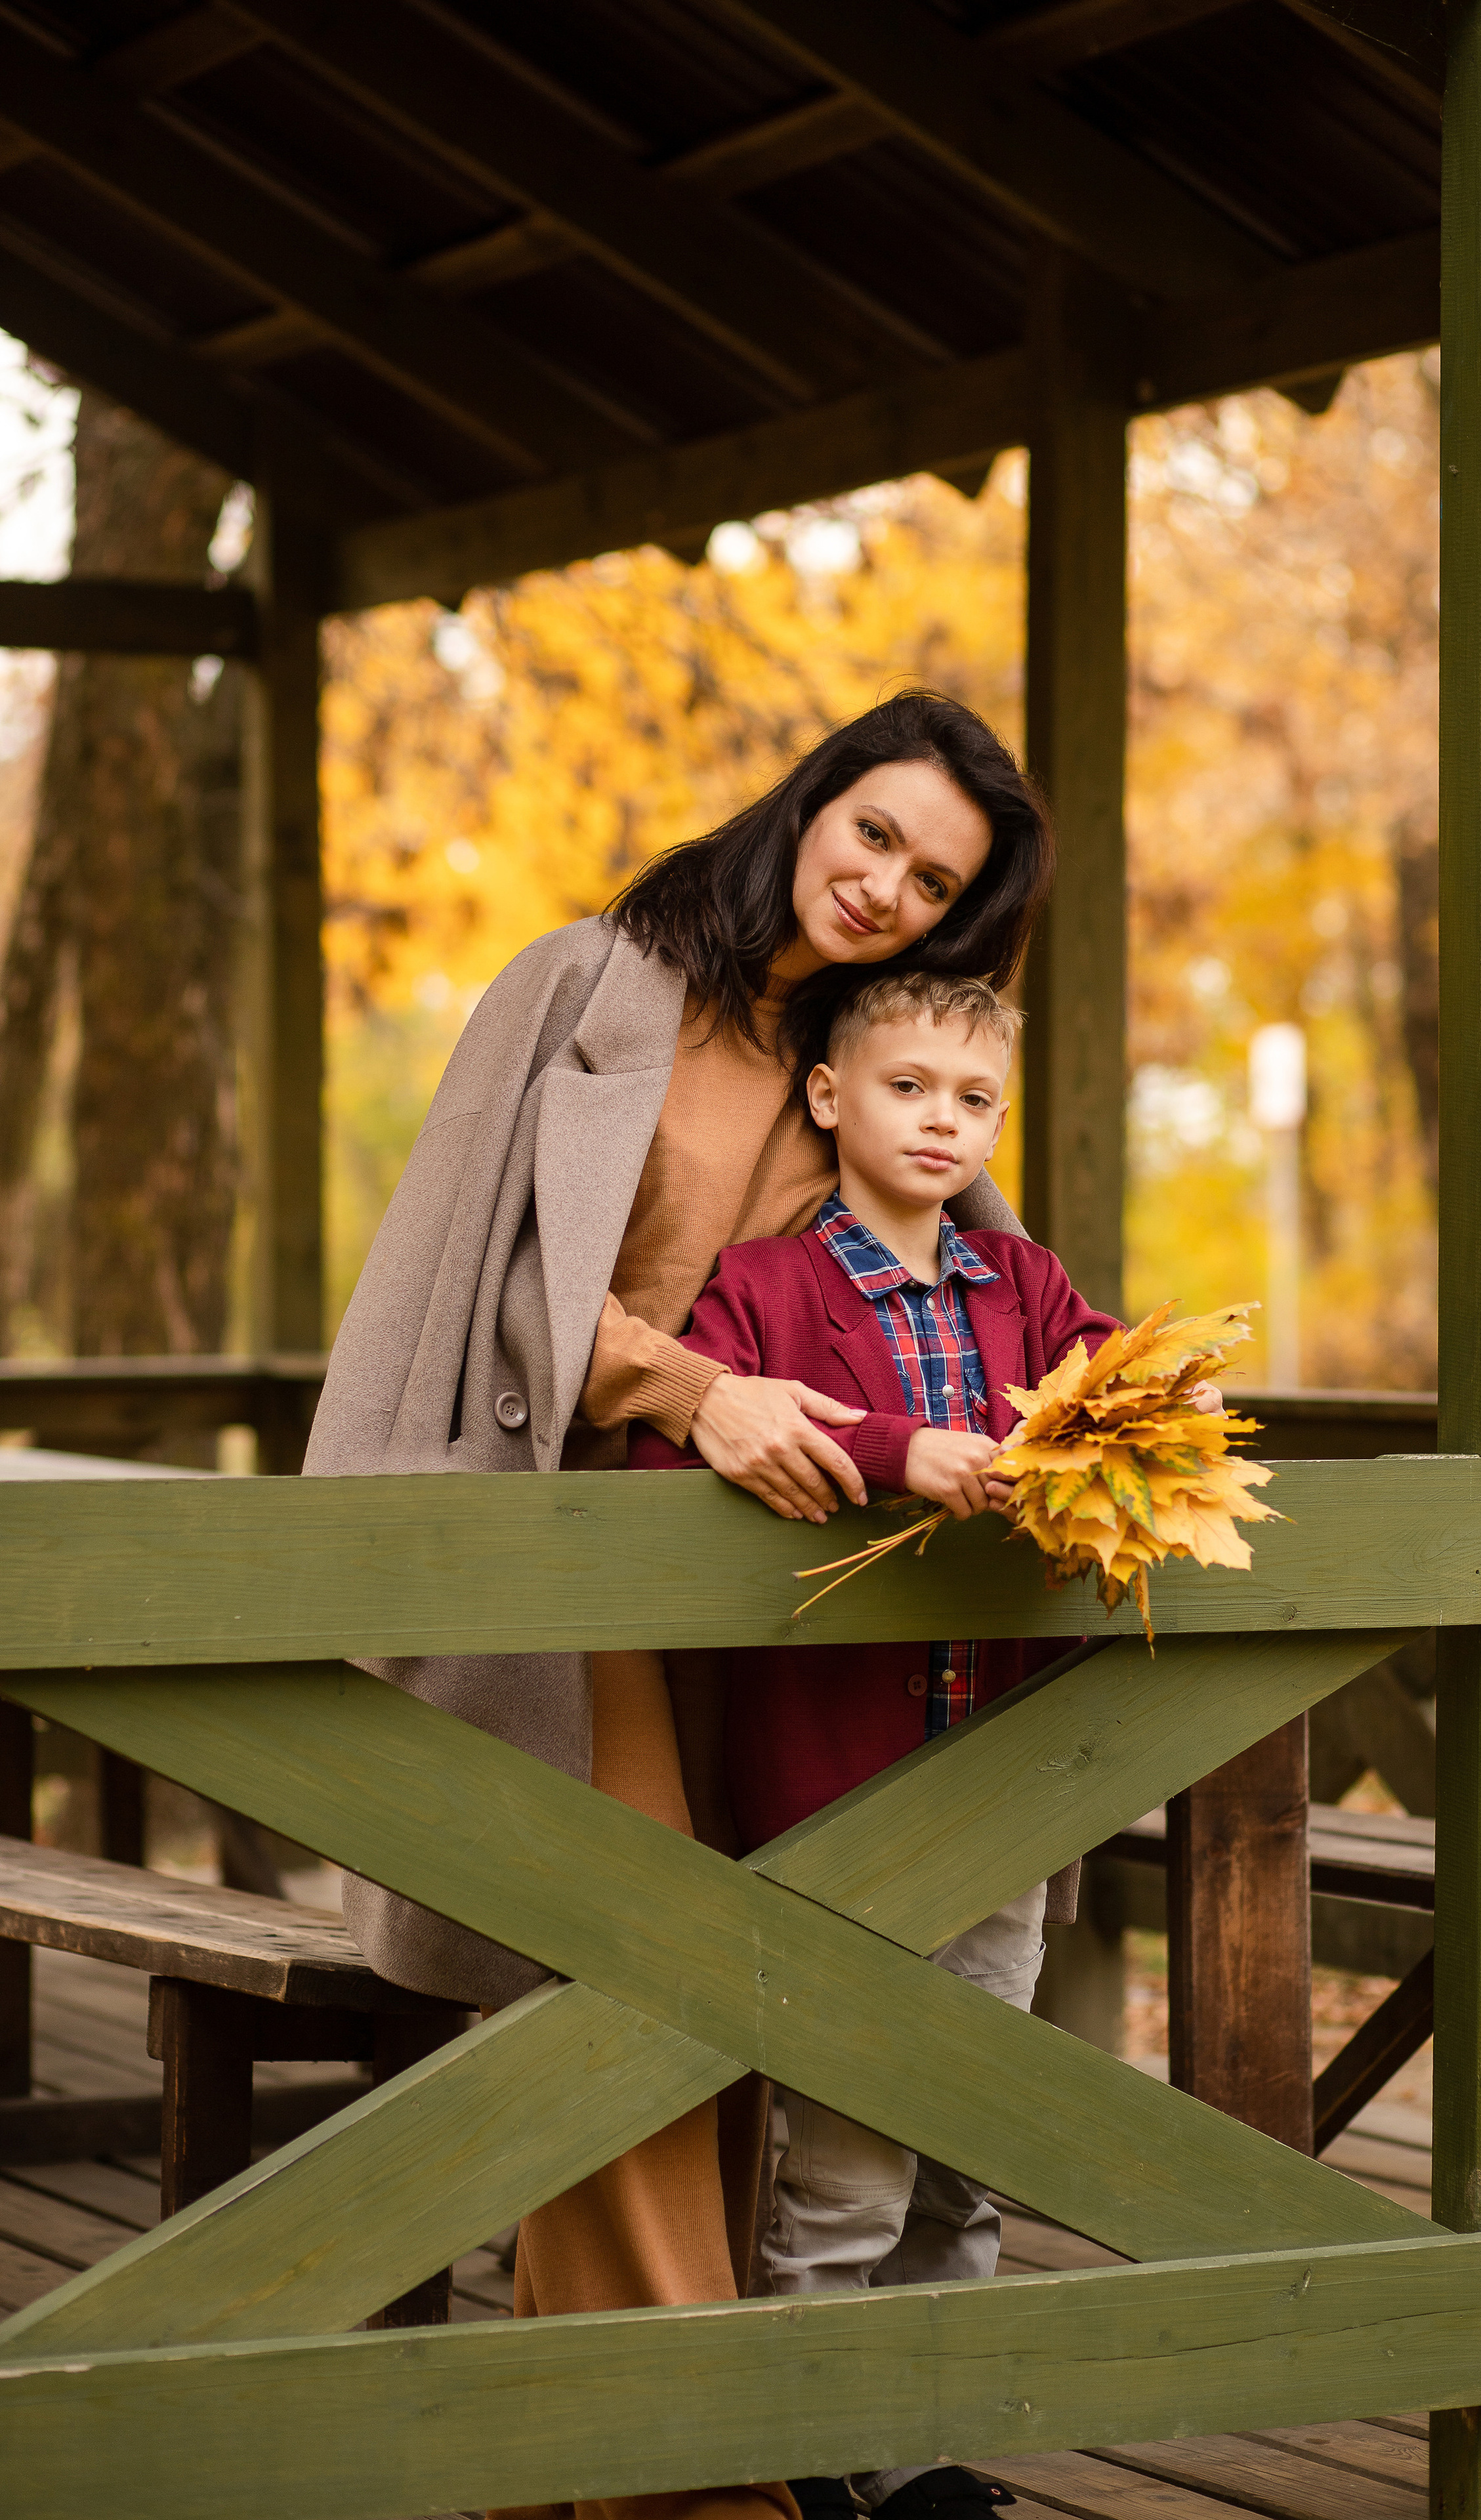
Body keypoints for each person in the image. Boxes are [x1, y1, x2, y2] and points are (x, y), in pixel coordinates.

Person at [302, 692, 1056, 2520]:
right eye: (874, 833)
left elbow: (971, 1295)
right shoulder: (586, 988)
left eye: (934, 882)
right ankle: (698, 2482)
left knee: (741, 2021)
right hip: (570, 1587)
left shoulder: (863, 1061)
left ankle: (585, 2459)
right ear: (812, 802)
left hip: (773, 1611)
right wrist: (691, 1389)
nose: (885, 887)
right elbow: (468, 1282)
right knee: (635, 1977)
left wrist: (1092, 1438)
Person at [629, 971, 1118, 2520]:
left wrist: (1130, 1426)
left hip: (999, 1796)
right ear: (829, 1099)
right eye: (907, 1087)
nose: (940, 1122)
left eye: (972, 1100)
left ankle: (920, 2451)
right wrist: (897, 1453)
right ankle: (815, 2452)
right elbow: (669, 1455)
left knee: (963, 2140)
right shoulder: (762, 1289)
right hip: (835, 1799)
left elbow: (1119, 1394)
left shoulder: (1023, 1287)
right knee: (843, 2158)